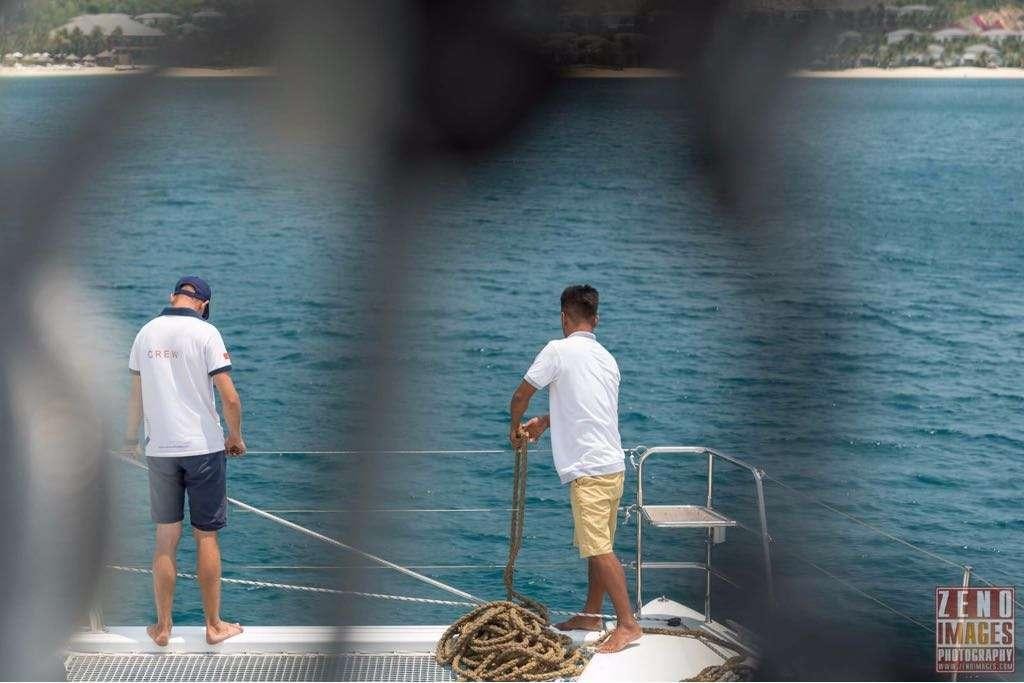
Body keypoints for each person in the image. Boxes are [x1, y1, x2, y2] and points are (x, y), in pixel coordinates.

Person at [509, 284, 642, 653]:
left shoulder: (558, 350)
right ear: (595, 319)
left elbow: (520, 395)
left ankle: (628, 624)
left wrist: (515, 428)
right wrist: (547, 421)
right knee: (599, 545)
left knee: (598, 548)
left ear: (563, 318)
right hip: (612, 465)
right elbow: (590, 409)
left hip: (588, 469)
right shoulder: (607, 358)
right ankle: (591, 615)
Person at [122, 276, 246, 646]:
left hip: (160, 450)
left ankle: (162, 627)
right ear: (204, 305)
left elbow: (136, 397)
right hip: (203, 449)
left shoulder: (145, 333)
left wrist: (129, 439)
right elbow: (230, 398)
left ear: (172, 296)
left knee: (165, 538)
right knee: (205, 536)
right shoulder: (206, 333)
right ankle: (214, 626)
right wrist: (235, 437)